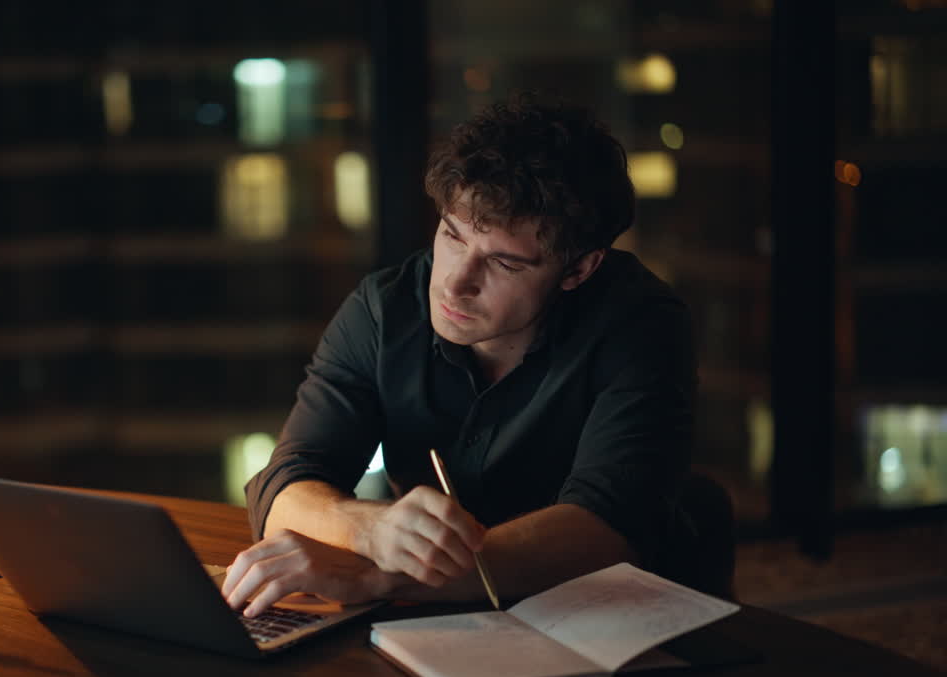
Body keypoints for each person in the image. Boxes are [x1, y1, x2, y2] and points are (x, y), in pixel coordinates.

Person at [222, 92, 696, 618]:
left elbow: (607, 530)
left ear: (579, 269)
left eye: (504, 263)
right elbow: (284, 487)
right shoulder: (385, 310)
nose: (455, 282)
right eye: (452, 236)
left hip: (613, 618)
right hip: (441, 621)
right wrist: (368, 531)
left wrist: (376, 576)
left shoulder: (641, 325)